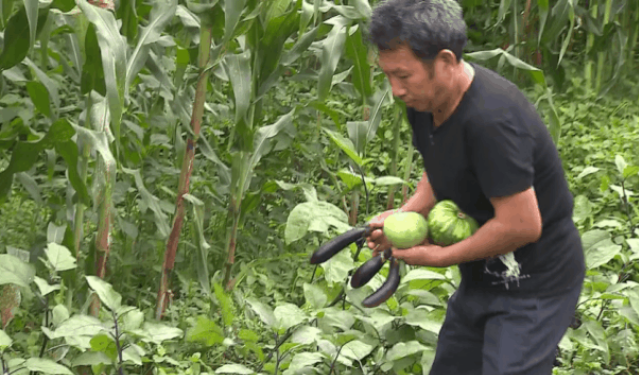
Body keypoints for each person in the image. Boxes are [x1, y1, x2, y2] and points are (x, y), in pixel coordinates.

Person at [364, 0, 586, 374]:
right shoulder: (426, 99)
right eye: (388, 76)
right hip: (483, 276)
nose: (396, 90)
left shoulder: (491, 121)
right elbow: (440, 164)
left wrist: (439, 257)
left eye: (403, 76)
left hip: (536, 284)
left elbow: (522, 225)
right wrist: (407, 214)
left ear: (447, 62)